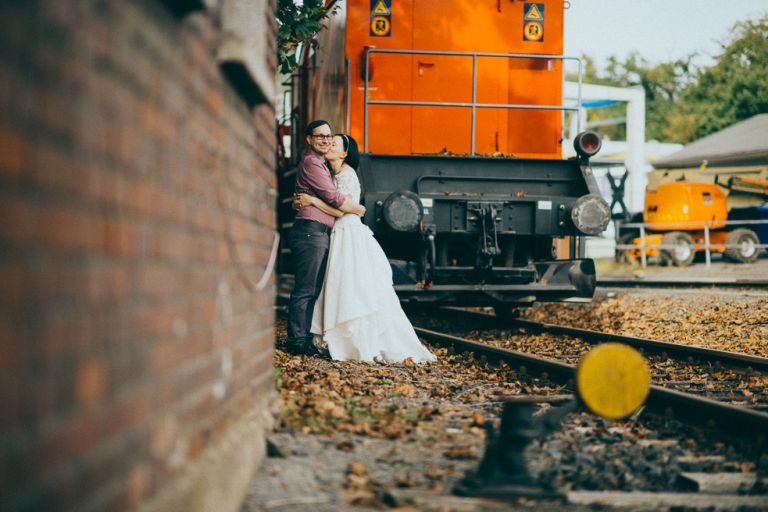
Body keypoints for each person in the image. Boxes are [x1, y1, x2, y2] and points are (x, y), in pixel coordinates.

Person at [294, 134, 436, 363]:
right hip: (337, 232)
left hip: (347, 232)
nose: (329, 144)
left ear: (344, 153)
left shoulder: (347, 175)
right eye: (328, 142)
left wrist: (312, 202)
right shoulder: (331, 174)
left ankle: (354, 339)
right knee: (339, 284)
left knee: (351, 286)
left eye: (334, 144)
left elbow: (343, 211)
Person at [287, 121, 365, 356]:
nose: (325, 140)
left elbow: (335, 205)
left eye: (328, 137)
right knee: (306, 290)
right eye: (320, 136)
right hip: (311, 231)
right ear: (309, 139)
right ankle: (297, 342)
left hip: (318, 232)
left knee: (311, 289)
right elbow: (335, 200)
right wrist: (358, 210)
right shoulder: (313, 163)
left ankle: (303, 339)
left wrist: (311, 201)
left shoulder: (324, 166)